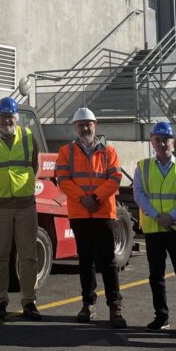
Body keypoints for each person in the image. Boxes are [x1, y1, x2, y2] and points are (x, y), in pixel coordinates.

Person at [0, 96, 42, 321]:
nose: (6, 120)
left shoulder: (29, 138)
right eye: (2, 117)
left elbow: (35, 166)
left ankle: (29, 301)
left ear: (17, 118)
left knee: (29, 257)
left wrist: (23, 188)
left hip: (24, 206)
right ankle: (0, 301)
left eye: (10, 116)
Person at [55, 107, 126, 328]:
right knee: (85, 261)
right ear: (75, 127)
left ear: (95, 125)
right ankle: (88, 305)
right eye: (81, 124)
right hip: (80, 213)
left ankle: (115, 307)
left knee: (108, 261)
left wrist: (94, 197)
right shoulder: (66, 152)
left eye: (89, 124)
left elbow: (115, 178)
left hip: (103, 212)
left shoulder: (109, 151)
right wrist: (83, 198)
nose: (85, 127)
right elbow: (62, 179)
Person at [133, 121, 176, 337]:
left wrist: (171, 216)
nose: (161, 144)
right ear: (152, 141)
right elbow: (139, 194)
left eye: (165, 140)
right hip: (154, 229)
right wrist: (156, 215)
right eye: (157, 140)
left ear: (173, 141)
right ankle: (161, 316)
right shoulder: (143, 166)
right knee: (156, 276)